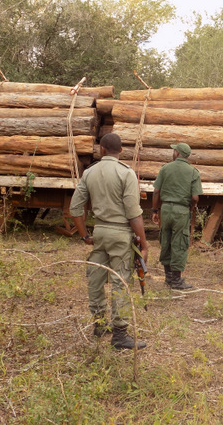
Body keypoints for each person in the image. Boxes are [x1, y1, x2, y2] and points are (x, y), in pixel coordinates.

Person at [69, 133, 149, 350]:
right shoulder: (126, 173)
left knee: (95, 278)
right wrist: (143, 243)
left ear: (101, 149)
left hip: (100, 231)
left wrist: (85, 235)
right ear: (121, 151)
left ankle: (99, 324)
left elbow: (75, 209)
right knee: (120, 281)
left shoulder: (89, 173)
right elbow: (134, 213)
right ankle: (120, 335)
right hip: (121, 234)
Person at [151, 142, 202, 289]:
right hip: (182, 210)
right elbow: (195, 198)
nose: (172, 153)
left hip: (165, 209)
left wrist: (155, 211)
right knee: (179, 243)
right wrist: (190, 208)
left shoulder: (165, 168)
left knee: (165, 240)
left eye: (174, 151)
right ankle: (176, 280)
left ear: (178, 153)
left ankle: (168, 278)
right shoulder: (193, 172)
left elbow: (156, 192)